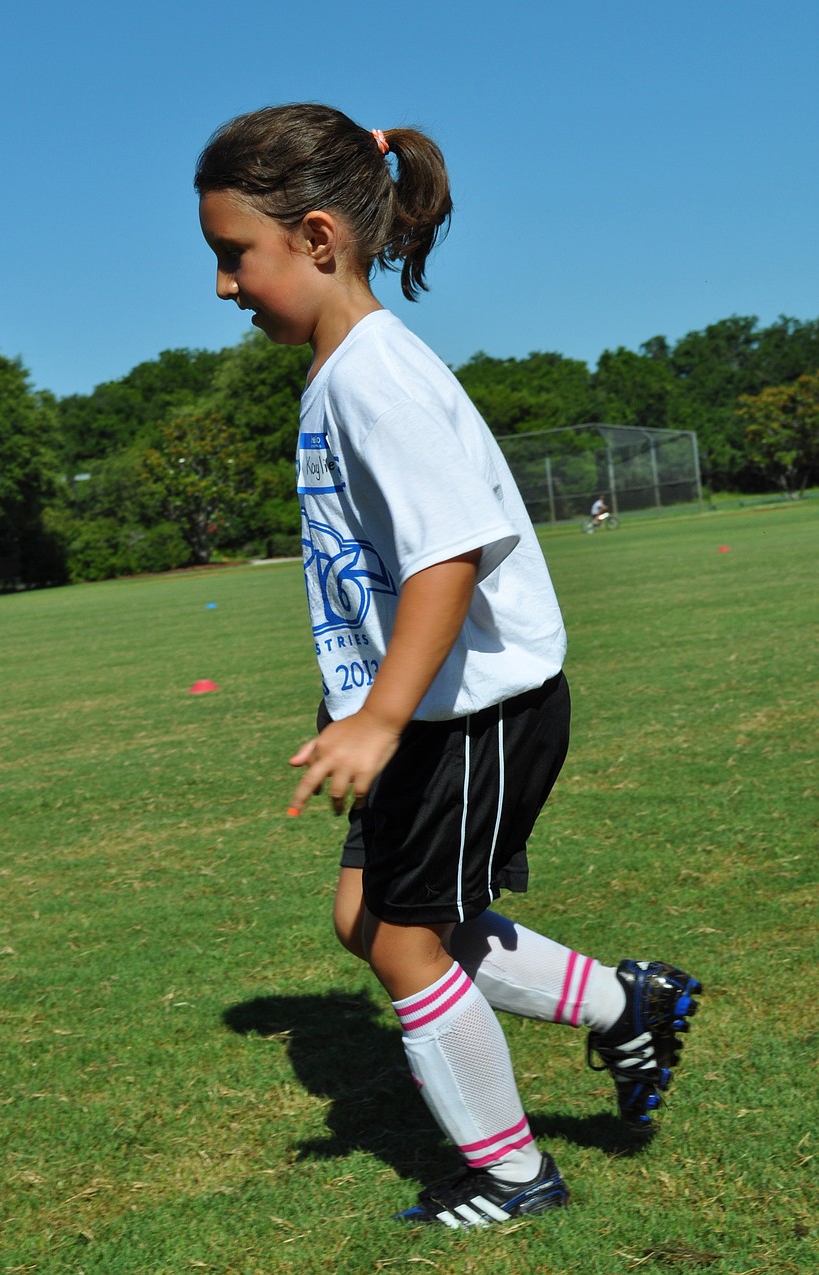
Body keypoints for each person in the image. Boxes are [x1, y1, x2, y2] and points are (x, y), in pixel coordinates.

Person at [195, 103, 702, 1230]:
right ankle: (627, 1004)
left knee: (404, 939)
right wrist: (356, 701)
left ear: (317, 238)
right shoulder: (342, 372)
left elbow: (446, 558)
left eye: (235, 255)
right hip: (420, 709)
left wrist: (380, 717)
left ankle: (514, 1175)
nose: (224, 285)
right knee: (368, 918)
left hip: (471, 711)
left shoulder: (375, 376)